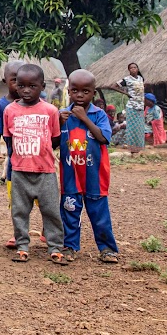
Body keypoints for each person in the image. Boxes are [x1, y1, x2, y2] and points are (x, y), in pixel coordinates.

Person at [4, 63, 67, 265]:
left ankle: (55, 246)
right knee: (19, 211)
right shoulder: (10, 110)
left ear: (42, 86)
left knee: (50, 210)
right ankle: (22, 246)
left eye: (32, 86)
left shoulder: (50, 111)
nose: (26, 90)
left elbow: (55, 139)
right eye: (21, 86)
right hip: (20, 171)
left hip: (45, 171)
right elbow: (8, 140)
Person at [59, 69, 118, 263]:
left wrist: (84, 118)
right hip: (70, 176)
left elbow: (103, 138)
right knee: (69, 213)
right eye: (75, 90)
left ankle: (107, 248)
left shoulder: (99, 115)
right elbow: (52, 143)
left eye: (86, 91)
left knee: (99, 214)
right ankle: (69, 247)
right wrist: (59, 123)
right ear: (69, 92)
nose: (80, 95)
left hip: (95, 175)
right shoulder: (62, 115)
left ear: (93, 92)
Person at [0, 59, 25, 247]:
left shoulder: (38, 103)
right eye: (15, 80)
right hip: (15, 162)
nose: (20, 85)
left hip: (40, 162)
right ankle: (18, 234)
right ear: (5, 81)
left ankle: (47, 230)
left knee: (45, 201)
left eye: (25, 81)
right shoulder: (1, 106)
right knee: (16, 201)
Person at [115, 62, 146, 153]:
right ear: (129, 70)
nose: (133, 69)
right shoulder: (126, 79)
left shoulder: (141, 78)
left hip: (140, 106)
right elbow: (114, 86)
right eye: (131, 68)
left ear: (137, 69)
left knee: (140, 127)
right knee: (132, 127)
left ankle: (140, 146)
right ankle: (132, 148)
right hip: (132, 106)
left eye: (135, 67)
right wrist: (126, 93)